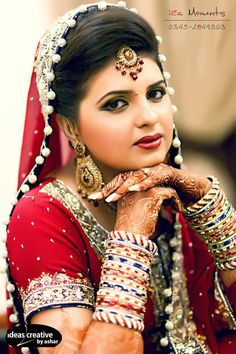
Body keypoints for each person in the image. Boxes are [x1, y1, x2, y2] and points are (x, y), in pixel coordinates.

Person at [3, 1, 236, 353]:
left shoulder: (174, 192)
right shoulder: (42, 216)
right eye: (116, 103)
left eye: (155, 94)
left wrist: (216, 215)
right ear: (69, 126)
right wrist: (130, 238)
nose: (148, 117)